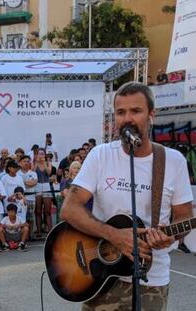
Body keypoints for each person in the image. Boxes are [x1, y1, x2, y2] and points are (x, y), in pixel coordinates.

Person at [60, 81, 193, 311]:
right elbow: (69, 208)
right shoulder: (100, 155)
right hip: (101, 276)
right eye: (121, 112)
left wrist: (170, 237)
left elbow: (184, 218)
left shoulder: (173, 162)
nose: (127, 119)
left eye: (136, 111)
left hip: (150, 281)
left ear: (151, 114)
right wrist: (114, 236)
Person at [34, 148, 53, 236]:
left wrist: (44, 163)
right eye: (39, 154)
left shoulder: (48, 163)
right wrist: (36, 162)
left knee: (48, 211)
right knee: (38, 211)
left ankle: (50, 231)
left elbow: (49, 173)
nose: (41, 155)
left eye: (42, 154)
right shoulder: (34, 163)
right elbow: (33, 172)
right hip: (37, 186)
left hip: (46, 186)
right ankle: (38, 231)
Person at [18, 155, 38, 239]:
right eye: (24, 161)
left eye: (28, 161)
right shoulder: (17, 173)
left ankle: (30, 234)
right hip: (20, 199)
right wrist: (27, 182)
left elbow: (33, 183)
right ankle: (22, 236)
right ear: (20, 162)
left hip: (31, 197)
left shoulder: (33, 173)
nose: (26, 163)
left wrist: (22, 182)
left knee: (30, 217)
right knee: (21, 218)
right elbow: (19, 185)